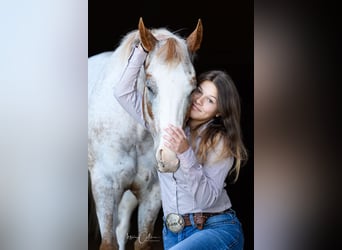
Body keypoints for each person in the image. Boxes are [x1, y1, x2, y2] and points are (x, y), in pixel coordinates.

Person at [114, 43, 248, 250]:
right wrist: (142, 50)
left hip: (214, 228)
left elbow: (207, 200)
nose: (200, 101)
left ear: (220, 111)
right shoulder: (164, 126)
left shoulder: (221, 142)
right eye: (199, 92)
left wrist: (186, 153)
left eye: (210, 100)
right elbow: (122, 92)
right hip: (173, 233)